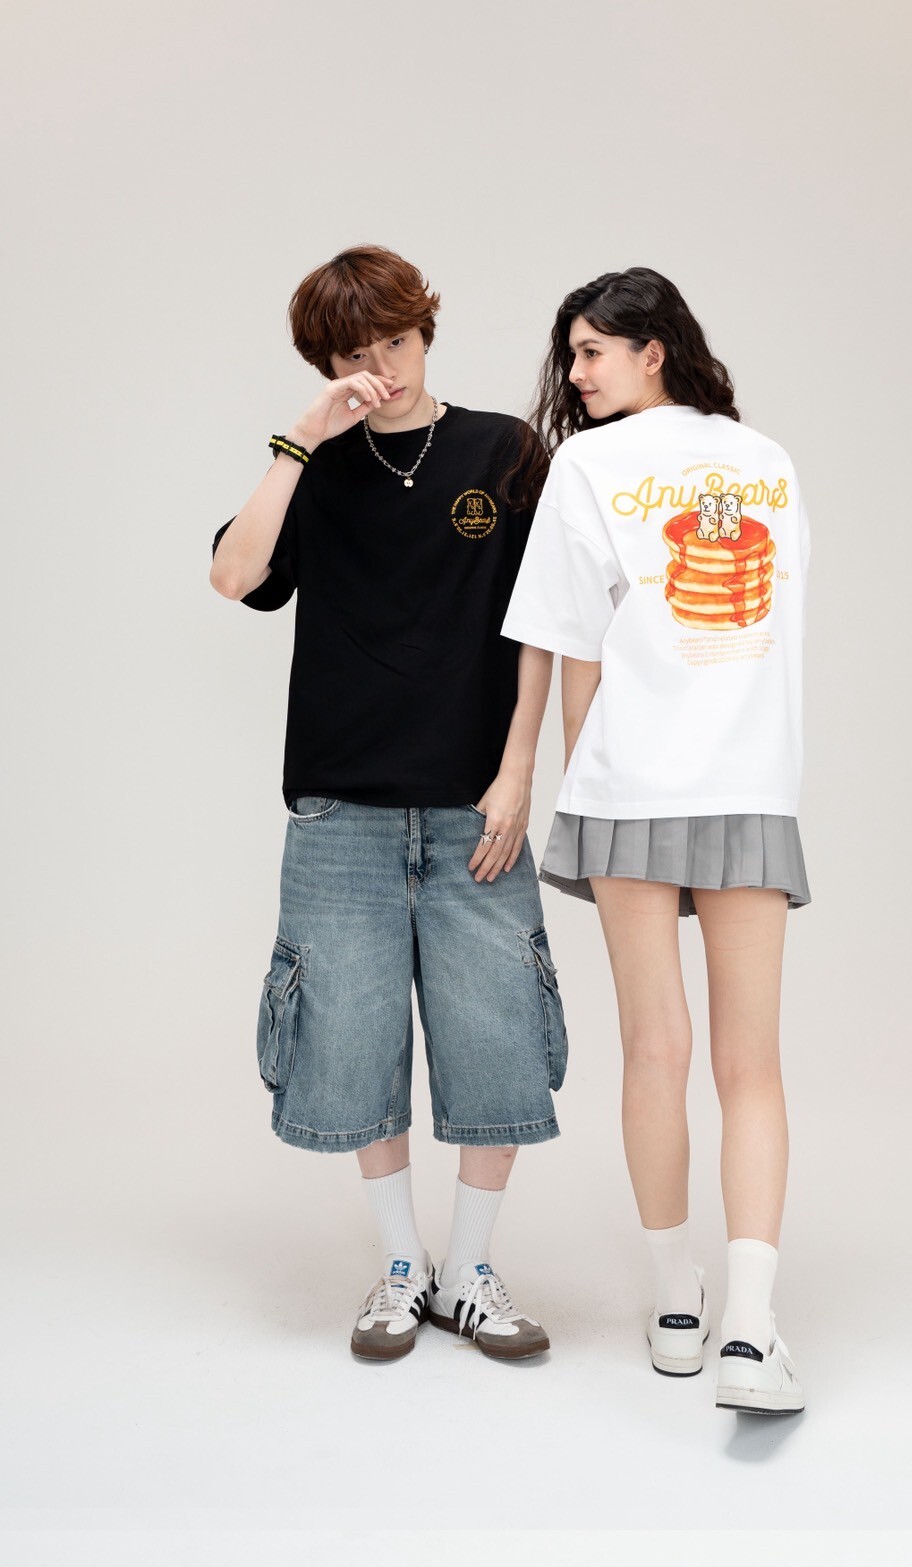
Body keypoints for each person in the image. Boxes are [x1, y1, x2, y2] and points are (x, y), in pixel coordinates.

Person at [210, 245, 564, 1364]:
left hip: (473, 808)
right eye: (358, 355)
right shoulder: (316, 467)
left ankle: (471, 1268)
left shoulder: (503, 451)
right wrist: (299, 440)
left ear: (425, 331)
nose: (386, 368)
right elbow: (234, 577)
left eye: (398, 343)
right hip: (341, 813)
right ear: (329, 364)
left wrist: (519, 770)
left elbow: (544, 624)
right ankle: (403, 1265)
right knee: (354, 1048)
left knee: (495, 1043)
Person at [501, 267, 811, 1413]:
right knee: (750, 1062)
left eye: (591, 351)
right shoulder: (767, 460)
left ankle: (678, 1305)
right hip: (748, 780)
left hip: (630, 784)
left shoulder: (587, 466)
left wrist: (575, 778)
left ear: (652, 350)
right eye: (573, 353)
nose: (575, 373)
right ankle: (749, 1331)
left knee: (654, 1051)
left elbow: (573, 646)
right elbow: (775, 626)